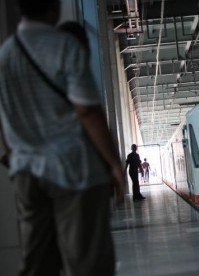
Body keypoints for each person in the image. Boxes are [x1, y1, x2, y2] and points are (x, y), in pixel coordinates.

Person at [0, 0, 125, 275]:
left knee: (39, 262)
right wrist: (115, 165)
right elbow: (86, 111)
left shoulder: (5, 54)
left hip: (26, 175)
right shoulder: (64, 46)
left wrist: (12, 152)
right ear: (53, 6)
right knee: (87, 261)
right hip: (72, 170)